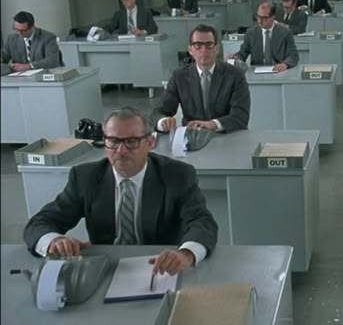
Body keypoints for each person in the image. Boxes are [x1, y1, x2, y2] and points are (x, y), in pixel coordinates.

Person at [23, 107, 219, 276]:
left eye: (131, 142)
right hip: (105, 269)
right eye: (113, 141)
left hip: (160, 268)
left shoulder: (177, 175)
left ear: (151, 142)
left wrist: (185, 254)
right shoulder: (85, 177)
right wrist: (53, 241)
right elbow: (40, 223)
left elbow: (202, 223)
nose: (121, 150)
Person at [153, 24, 250, 133]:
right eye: (198, 45)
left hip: (226, 136)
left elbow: (241, 116)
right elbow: (159, 111)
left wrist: (212, 124)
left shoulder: (235, 75)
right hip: (192, 137)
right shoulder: (179, 76)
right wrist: (163, 121)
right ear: (190, 50)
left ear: (217, 49)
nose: (204, 50)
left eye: (209, 45)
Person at [231, 2, 299, 72]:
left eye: (264, 18)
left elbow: (293, 55)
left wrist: (285, 64)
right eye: (258, 17)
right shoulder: (251, 33)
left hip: (279, 71)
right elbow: (242, 53)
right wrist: (236, 57)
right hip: (257, 72)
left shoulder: (285, 32)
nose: (259, 21)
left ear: (273, 17)